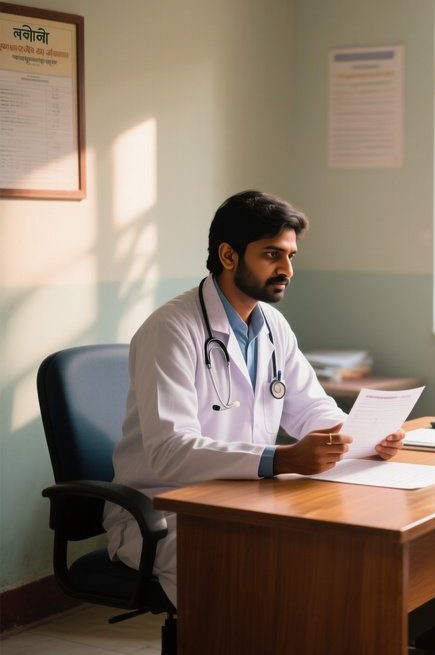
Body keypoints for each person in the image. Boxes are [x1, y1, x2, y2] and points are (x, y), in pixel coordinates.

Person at [104, 190, 405, 606]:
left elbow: (310, 408)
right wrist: (279, 459)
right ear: (229, 256)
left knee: (331, 548)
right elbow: (170, 453)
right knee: (251, 568)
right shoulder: (171, 330)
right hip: (164, 511)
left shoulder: (273, 325)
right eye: (272, 255)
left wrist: (359, 437)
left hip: (244, 497)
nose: (287, 270)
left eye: (291, 256)